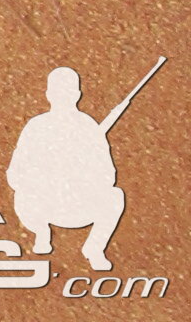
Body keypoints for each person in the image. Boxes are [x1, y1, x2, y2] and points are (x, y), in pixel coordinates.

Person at [8, 66, 128, 270]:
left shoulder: (89, 128)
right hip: (42, 205)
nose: (62, 97)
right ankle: (41, 232)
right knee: (21, 195)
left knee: (115, 196)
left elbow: (108, 175)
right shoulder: (36, 127)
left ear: (77, 95)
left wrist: (80, 174)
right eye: (58, 92)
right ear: (48, 95)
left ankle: (94, 248)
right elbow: (15, 174)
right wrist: (42, 177)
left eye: (67, 92)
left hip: (79, 205)